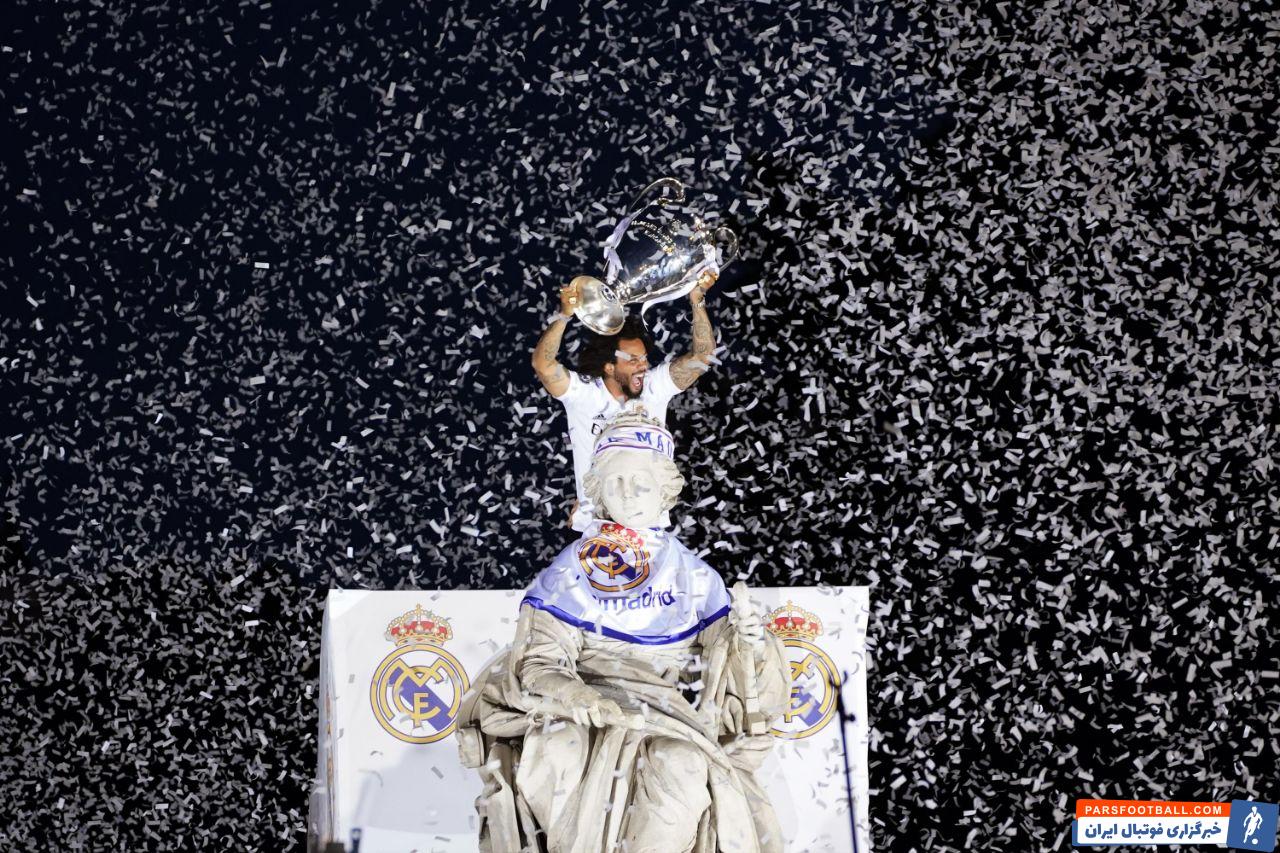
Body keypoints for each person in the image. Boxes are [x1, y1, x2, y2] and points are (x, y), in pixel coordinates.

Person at [455, 408, 789, 853]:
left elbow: (730, 674)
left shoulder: (695, 577)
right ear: (599, 492)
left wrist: (751, 643)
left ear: (664, 493)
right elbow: (539, 662)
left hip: (669, 715)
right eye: (615, 483)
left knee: (681, 762)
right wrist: (578, 697)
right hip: (585, 708)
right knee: (556, 748)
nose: (628, 494)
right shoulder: (570, 571)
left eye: (641, 483)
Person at [531, 270, 718, 531]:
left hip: (649, 528)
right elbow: (543, 365)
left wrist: (697, 299)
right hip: (597, 528)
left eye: (644, 359)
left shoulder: (654, 386)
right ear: (609, 367)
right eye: (633, 360)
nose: (643, 366)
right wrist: (564, 316)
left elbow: (703, 356)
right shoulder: (584, 394)